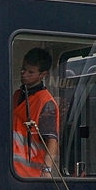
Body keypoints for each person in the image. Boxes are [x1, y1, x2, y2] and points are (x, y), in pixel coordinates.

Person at [13, 47, 59, 177]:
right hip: (13, 170)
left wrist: (47, 170)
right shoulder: (17, 95)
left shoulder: (46, 102)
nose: (24, 74)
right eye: (23, 69)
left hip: (31, 173)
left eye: (31, 72)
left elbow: (52, 140)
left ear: (43, 74)